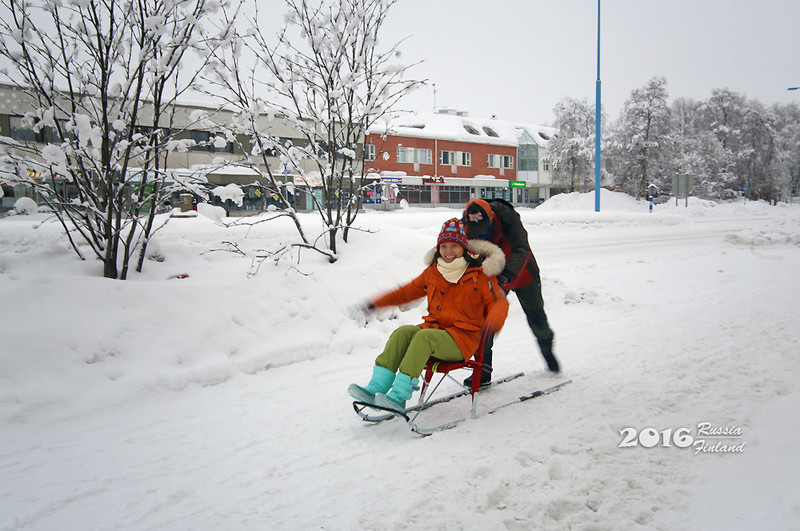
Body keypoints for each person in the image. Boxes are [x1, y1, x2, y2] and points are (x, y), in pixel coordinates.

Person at [348, 218, 509, 413]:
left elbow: (499, 303)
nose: (448, 252)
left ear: (464, 248)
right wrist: (375, 303)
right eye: (443, 246)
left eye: (454, 246)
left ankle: (398, 397)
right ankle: (375, 389)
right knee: (402, 333)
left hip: (463, 339)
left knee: (423, 338)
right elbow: (404, 293)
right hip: (435, 331)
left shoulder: (480, 275)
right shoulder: (433, 272)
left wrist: (493, 323)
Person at [463, 198, 560, 387]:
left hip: (524, 274)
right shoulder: (466, 225)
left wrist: (505, 277)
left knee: (536, 316)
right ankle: (483, 369)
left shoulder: (509, 219)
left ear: (492, 218)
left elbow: (521, 250)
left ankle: (547, 350)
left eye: (485, 227)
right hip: (492, 274)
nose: (481, 233)